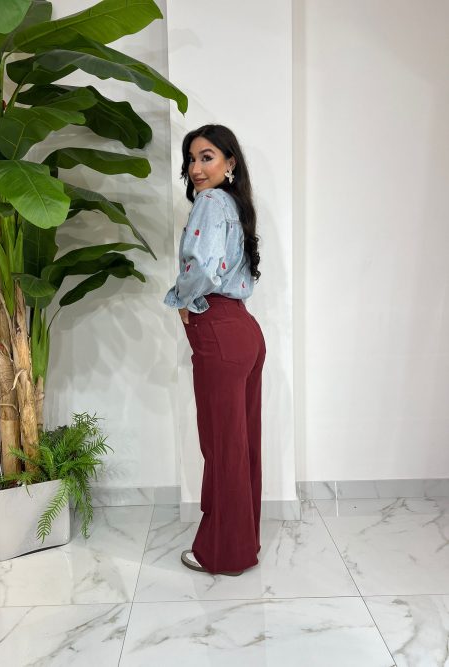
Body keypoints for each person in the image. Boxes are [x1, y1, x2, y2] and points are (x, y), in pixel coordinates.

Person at [164, 124, 266, 576]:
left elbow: (203, 267)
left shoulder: (209, 203)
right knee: (241, 445)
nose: (196, 168)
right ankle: (242, 543)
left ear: (230, 162)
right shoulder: (235, 205)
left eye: (207, 157)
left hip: (221, 330)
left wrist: (182, 300)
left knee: (224, 448)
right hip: (244, 330)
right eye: (191, 159)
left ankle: (223, 553)